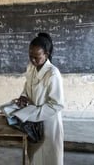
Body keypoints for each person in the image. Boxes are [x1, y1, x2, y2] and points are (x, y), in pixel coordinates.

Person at [12, 32, 64, 165]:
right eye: (30, 56)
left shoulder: (53, 74)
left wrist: (29, 114)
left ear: (46, 55)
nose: (33, 60)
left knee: (47, 158)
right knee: (33, 157)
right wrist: (24, 96)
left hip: (48, 123)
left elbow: (56, 105)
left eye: (37, 57)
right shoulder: (31, 67)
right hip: (32, 122)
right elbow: (27, 86)